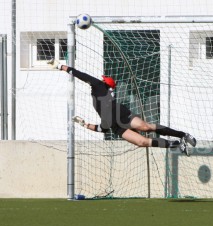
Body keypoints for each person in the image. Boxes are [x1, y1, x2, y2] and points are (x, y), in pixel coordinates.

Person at [48, 59, 196, 155]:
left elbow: (80, 74)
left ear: (106, 83)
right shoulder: (99, 95)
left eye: (103, 79)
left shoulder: (98, 85)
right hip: (115, 126)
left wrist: (61, 66)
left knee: (145, 127)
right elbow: (102, 129)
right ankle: (176, 144)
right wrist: (85, 124)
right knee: (141, 142)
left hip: (122, 114)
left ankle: (182, 135)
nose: (101, 79)